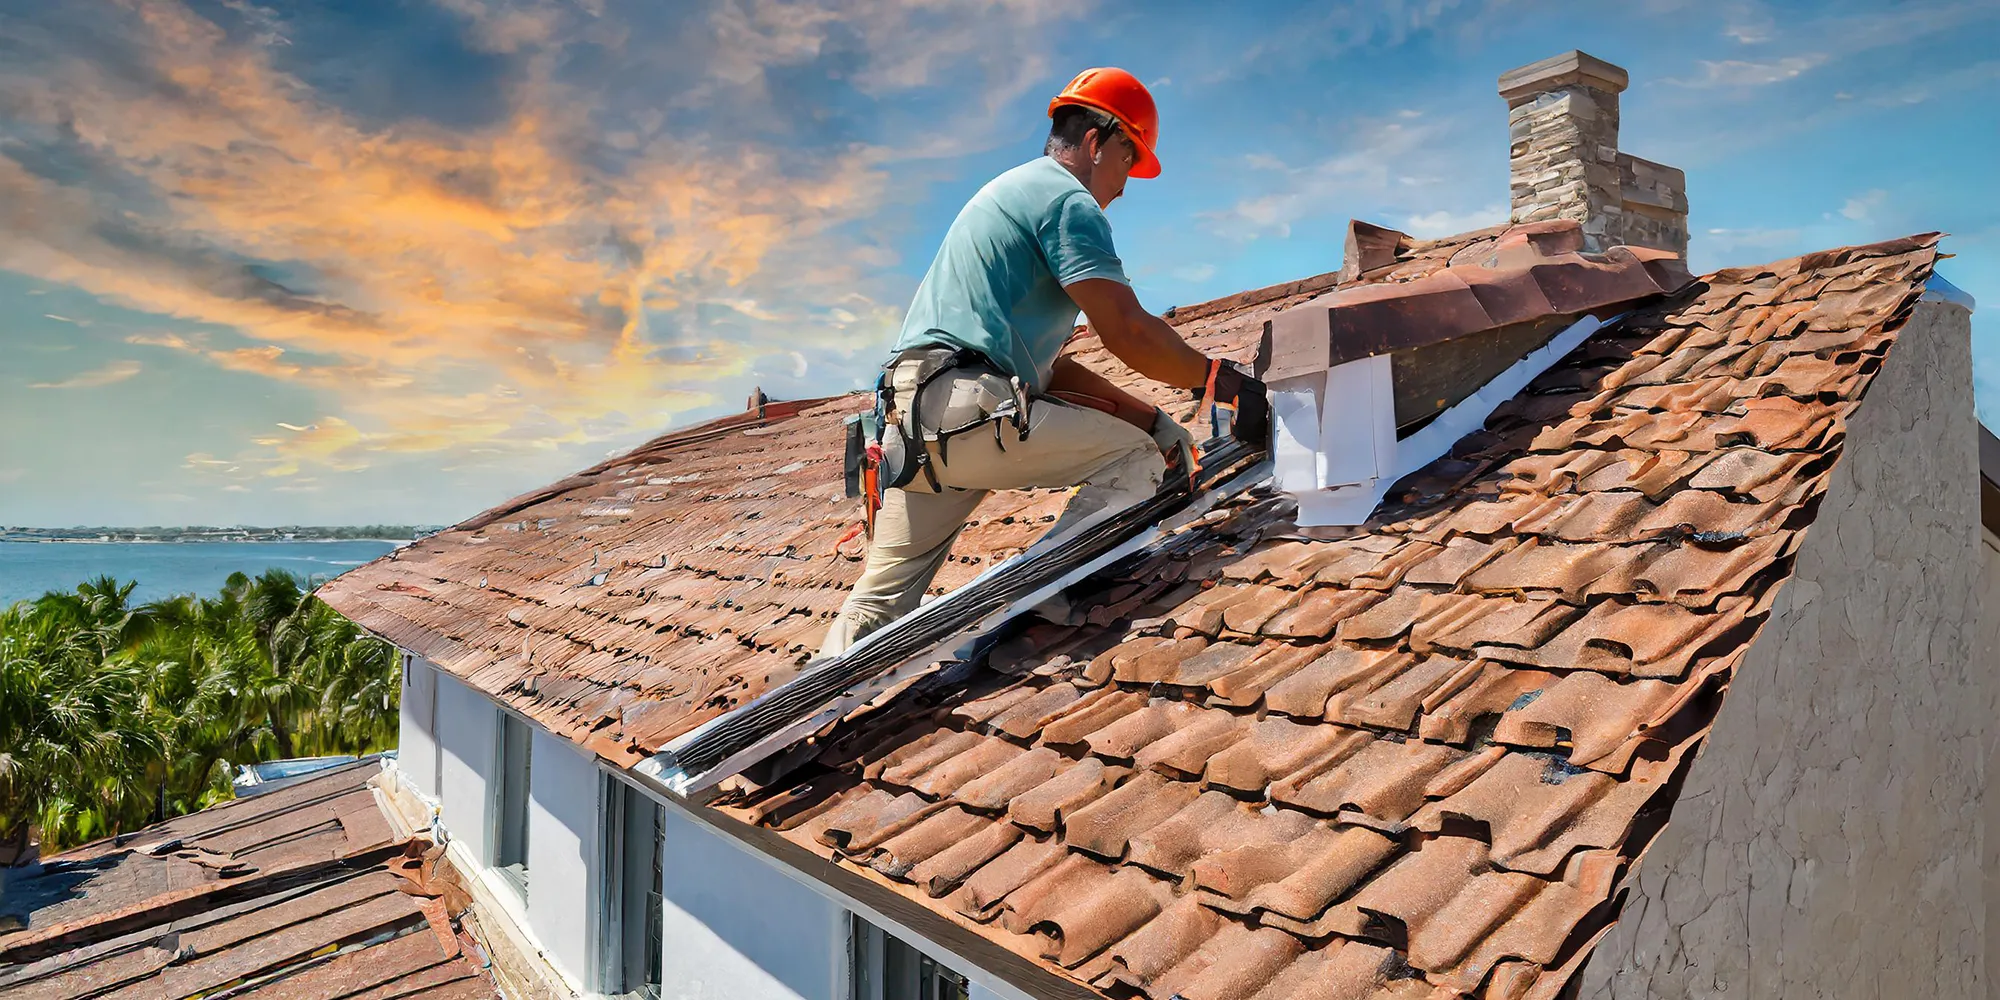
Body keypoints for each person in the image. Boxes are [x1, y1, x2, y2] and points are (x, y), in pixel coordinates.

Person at [819, 67, 1264, 658]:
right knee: (1135, 462)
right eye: (1129, 162)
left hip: (914, 426)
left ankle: (792, 727)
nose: (1126, 187)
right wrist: (1222, 382)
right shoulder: (1066, 200)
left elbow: (1050, 372)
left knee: (878, 603)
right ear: (1097, 140)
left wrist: (1151, 420)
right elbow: (1127, 330)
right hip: (967, 407)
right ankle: (1044, 589)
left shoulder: (1013, 193)